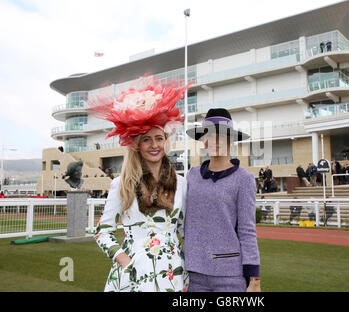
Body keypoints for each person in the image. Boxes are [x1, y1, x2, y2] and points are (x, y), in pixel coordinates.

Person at [92, 76, 191, 292]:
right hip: (132, 277)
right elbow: (102, 232)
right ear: (136, 145)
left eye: (159, 138)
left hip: (173, 276)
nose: (154, 145)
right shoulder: (122, 184)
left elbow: (184, 230)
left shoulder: (182, 183)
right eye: (146, 139)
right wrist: (125, 262)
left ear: (166, 141)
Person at [185, 108, 261, 292]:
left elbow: (247, 230)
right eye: (210, 135)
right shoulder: (191, 176)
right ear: (204, 141)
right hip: (194, 276)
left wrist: (255, 280)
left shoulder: (244, 179)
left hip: (230, 277)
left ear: (231, 140)